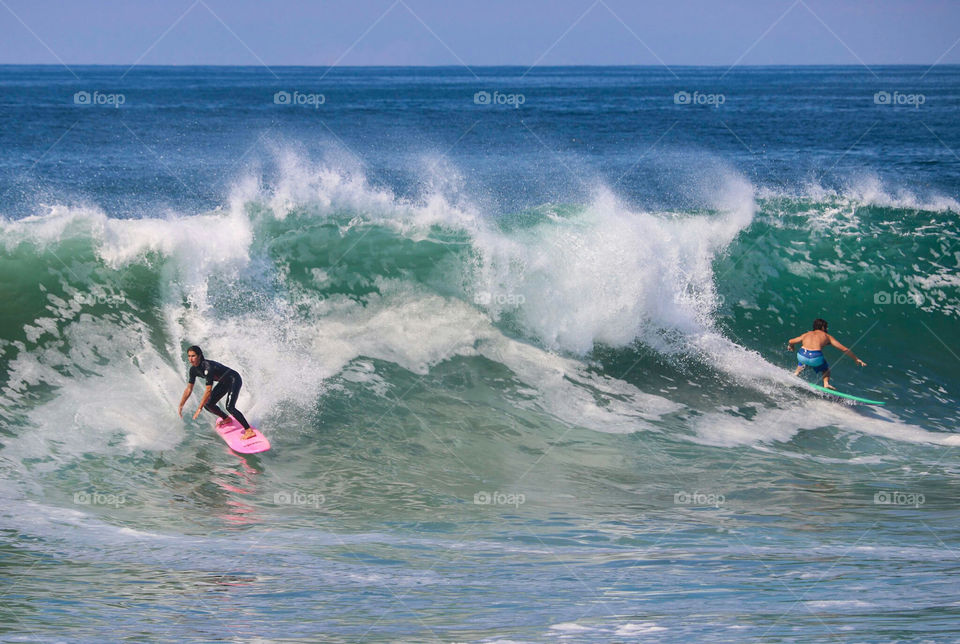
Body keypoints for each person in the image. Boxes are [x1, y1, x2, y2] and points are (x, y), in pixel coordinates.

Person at [177, 345, 255, 440]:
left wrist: (199, 408)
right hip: (224, 382)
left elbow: (208, 390)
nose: (190, 359)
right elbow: (189, 389)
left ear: (199, 356)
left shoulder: (208, 367)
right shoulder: (193, 370)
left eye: (193, 356)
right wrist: (181, 405)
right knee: (208, 404)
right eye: (189, 356)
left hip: (234, 379)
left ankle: (249, 430)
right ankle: (226, 418)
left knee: (230, 407)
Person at [787, 318, 866, 390]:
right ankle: (826, 384)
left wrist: (791, 346)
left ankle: (796, 373)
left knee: (804, 359)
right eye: (826, 327)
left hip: (801, 355)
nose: (827, 329)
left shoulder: (806, 334)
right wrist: (856, 358)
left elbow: (791, 341)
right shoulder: (827, 336)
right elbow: (844, 349)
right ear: (823, 327)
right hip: (815, 357)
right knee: (825, 368)